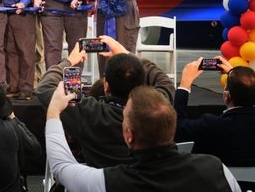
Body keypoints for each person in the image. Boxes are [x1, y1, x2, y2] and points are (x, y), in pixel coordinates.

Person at [45, 83, 243, 192]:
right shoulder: (216, 169)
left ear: (129, 135)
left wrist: (54, 112)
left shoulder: (111, 183)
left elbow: (61, 167)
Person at [35, 35, 174, 168]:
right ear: (142, 84)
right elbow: (165, 83)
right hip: (146, 188)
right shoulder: (155, 110)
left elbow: (45, 88)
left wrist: (69, 61)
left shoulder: (91, 113)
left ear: (106, 86)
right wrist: (128, 55)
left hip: (98, 188)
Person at [175, 57, 255, 167]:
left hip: (219, 183)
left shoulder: (212, 125)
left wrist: (185, 83)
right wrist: (236, 75)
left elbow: (178, 125)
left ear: (226, 96)